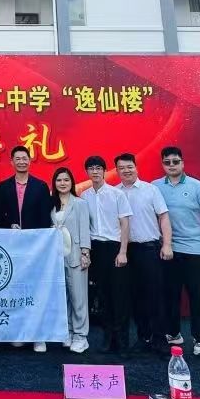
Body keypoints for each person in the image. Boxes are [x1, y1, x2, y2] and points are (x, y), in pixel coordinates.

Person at [154, 145, 200, 358]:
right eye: (167, 162)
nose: (171, 165)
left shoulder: (198, 187)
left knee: (197, 296)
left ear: (182, 163)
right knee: (169, 295)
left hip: (195, 250)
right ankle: (173, 333)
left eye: (175, 161)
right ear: (162, 164)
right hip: (168, 250)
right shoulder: (155, 187)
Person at [115, 152, 173, 357]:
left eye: (129, 166)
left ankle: (160, 339)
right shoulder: (115, 193)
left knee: (155, 295)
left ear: (136, 167)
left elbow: (164, 218)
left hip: (149, 249)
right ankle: (143, 337)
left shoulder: (151, 190)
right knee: (135, 297)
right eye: (121, 168)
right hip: (126, 251)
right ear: (117, 171)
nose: (126, 171)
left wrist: (167, 244)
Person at [82, 155, 132, 354]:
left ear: (104, 171)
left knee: (119, 295)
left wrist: (123, 251)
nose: (95, 172)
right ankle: (107, 337)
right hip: (96, 249)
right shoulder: (84, 196)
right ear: (87, 172)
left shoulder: (117, 194)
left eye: (98, 168)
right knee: (102, 296)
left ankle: (122, 341)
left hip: (115, 248)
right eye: (91, 168)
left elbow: (125, 224)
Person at [50, 166, 92, 353]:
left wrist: (85, 253)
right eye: (59, 180)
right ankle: (67, 332)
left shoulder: (80, 203)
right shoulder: (51, 204)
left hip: (75, 257)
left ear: (72, 182)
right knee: (62, 298)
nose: (63, 183)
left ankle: (81, 336)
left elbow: (85, 230)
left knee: (78, 298)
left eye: (66, 180)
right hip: (55, 258)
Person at [0, 145, 52, 230]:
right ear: (12, 162)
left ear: (29, 161)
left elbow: (45, 216)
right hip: (11, 235)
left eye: (24, 159)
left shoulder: (41, 186)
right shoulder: (4, 186)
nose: (21, 162)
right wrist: (10, 225)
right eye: (18, 159)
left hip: (35, 235)